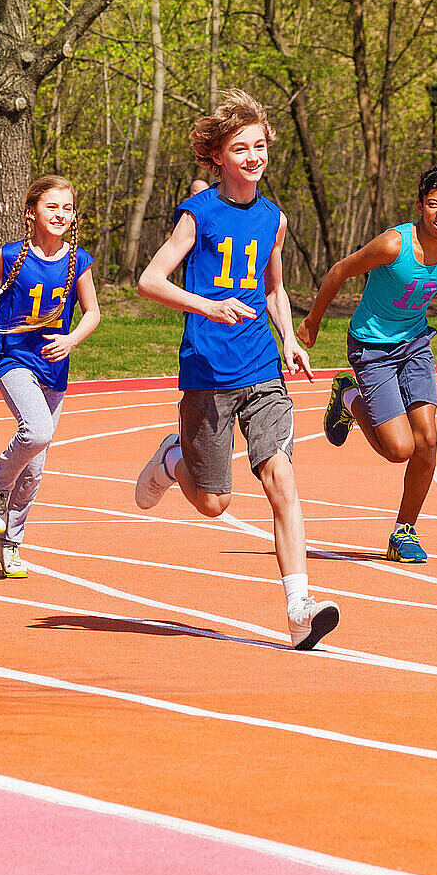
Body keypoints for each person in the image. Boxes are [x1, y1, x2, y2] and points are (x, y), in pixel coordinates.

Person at [133, 89, 340, 651]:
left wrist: (289, 339)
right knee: (214, 503)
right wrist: (208, 305)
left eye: (259, 146)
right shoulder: (197, 214)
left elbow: (274, 286)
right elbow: (150, 281)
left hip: (261, 368)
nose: (253, 156)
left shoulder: (274, 217)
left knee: (282, 481)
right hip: (206, 371)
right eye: (240, 148)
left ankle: (300, 609)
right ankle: (174, 458)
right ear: (219, 157)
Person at [295, 164, 437, 564]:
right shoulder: (394, 245)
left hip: (415, 345)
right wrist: (312, 321)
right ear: (421, 207)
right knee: (399, 449)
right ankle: (348, 395)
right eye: (433, 204)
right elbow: (339, 271)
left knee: (428, 441)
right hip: (371, 348)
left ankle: (403, 531)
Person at [0, 175, 102, 577]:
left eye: (67, 208)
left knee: (35, 467)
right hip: (14, 361)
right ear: (32, 211)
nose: (61, 215)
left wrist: (70, 341)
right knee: (36, 431)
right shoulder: (12, 255)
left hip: (55, 368)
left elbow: (94, 314)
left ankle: (8, 544)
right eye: (52, 207)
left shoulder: (77, 260)